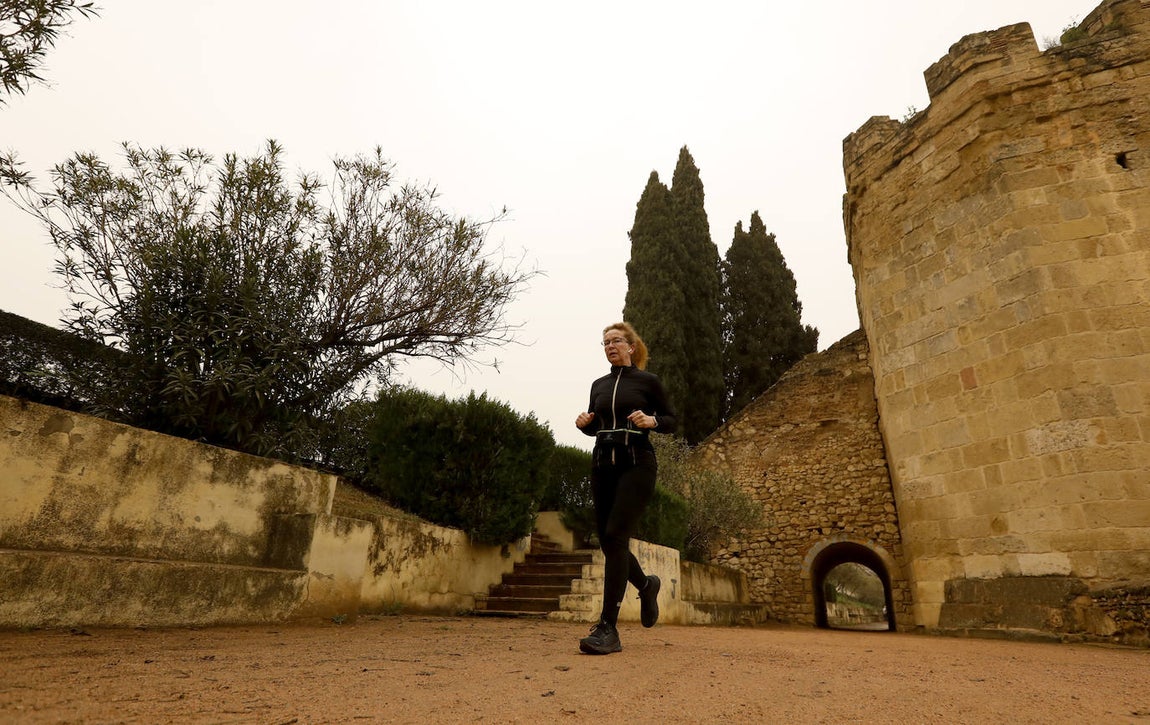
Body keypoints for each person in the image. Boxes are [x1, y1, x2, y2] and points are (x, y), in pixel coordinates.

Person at [574, 321, 677, 655]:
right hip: (603, 464)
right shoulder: (598, 385)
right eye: (605, 342)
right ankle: (646, 586)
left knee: (616, 535)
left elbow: (672, 420)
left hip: (637, 463)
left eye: (616, 341)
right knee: (608, 541)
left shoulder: (648, 382)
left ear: (631, 347)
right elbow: (597, 425)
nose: (610, 346)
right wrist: (585, 425)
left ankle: (608, 627)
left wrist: (653, 421)